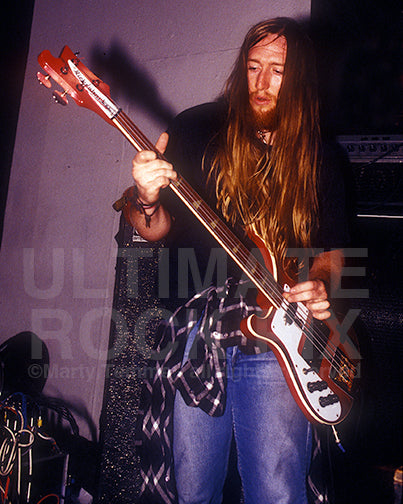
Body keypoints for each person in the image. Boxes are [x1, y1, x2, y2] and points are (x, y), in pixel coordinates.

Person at [128, 17, 349, 504]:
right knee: (192, 488)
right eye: (253, 68)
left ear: (300, 79)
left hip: (278, 341)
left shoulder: (321, 158)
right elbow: (152, 227)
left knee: (276, 491)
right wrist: (145, 197)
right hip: (199, 328)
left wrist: (319, 284)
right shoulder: (195, 128)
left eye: (277, 71)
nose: (262, 83)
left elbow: (334, 255)